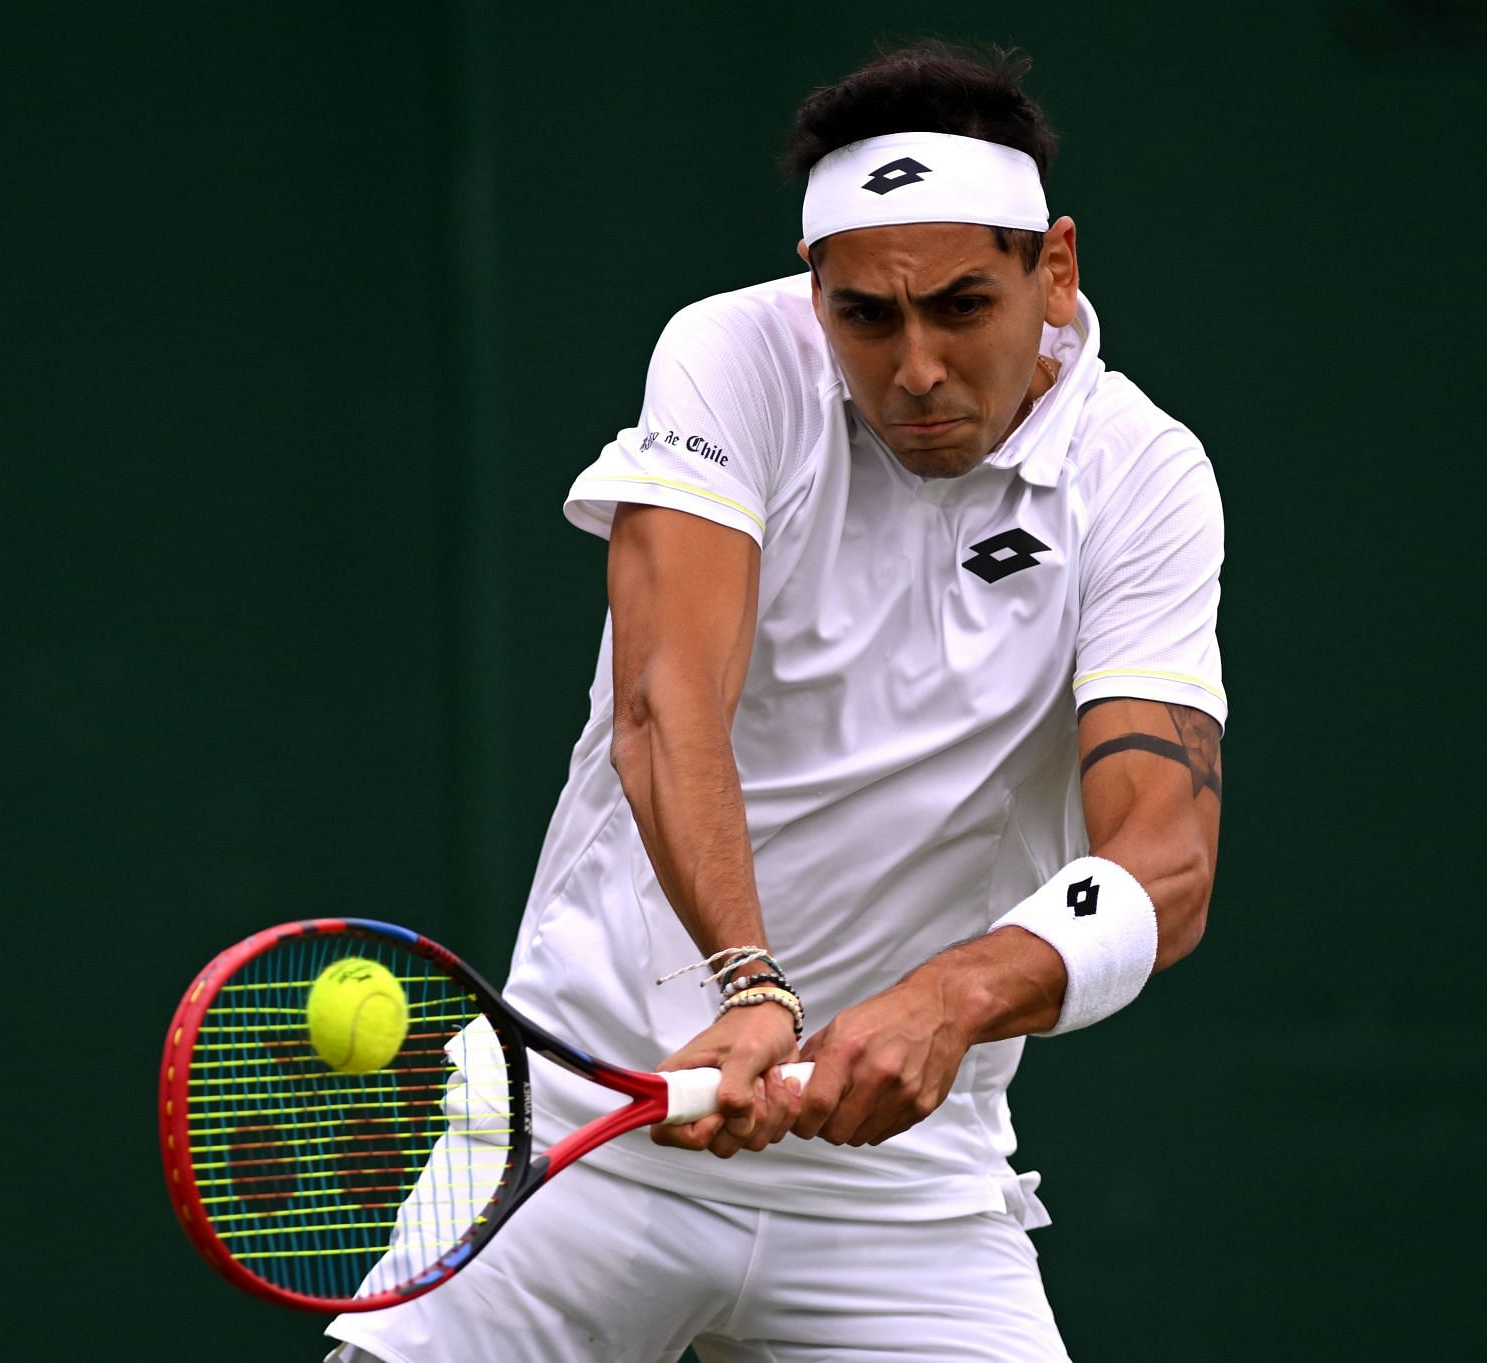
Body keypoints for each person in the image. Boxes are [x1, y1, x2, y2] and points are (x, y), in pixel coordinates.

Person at [327, 40, 1224, 1363]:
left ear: (1057, 270)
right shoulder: (728, 357)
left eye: (963, 307)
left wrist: (952, 998)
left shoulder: (1145, 476)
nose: (914, 365)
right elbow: (663, 703)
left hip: (905, 1196)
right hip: (591, 1116)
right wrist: (750, 988)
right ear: (816, 297)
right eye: (866, 316)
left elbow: (1166, 863)